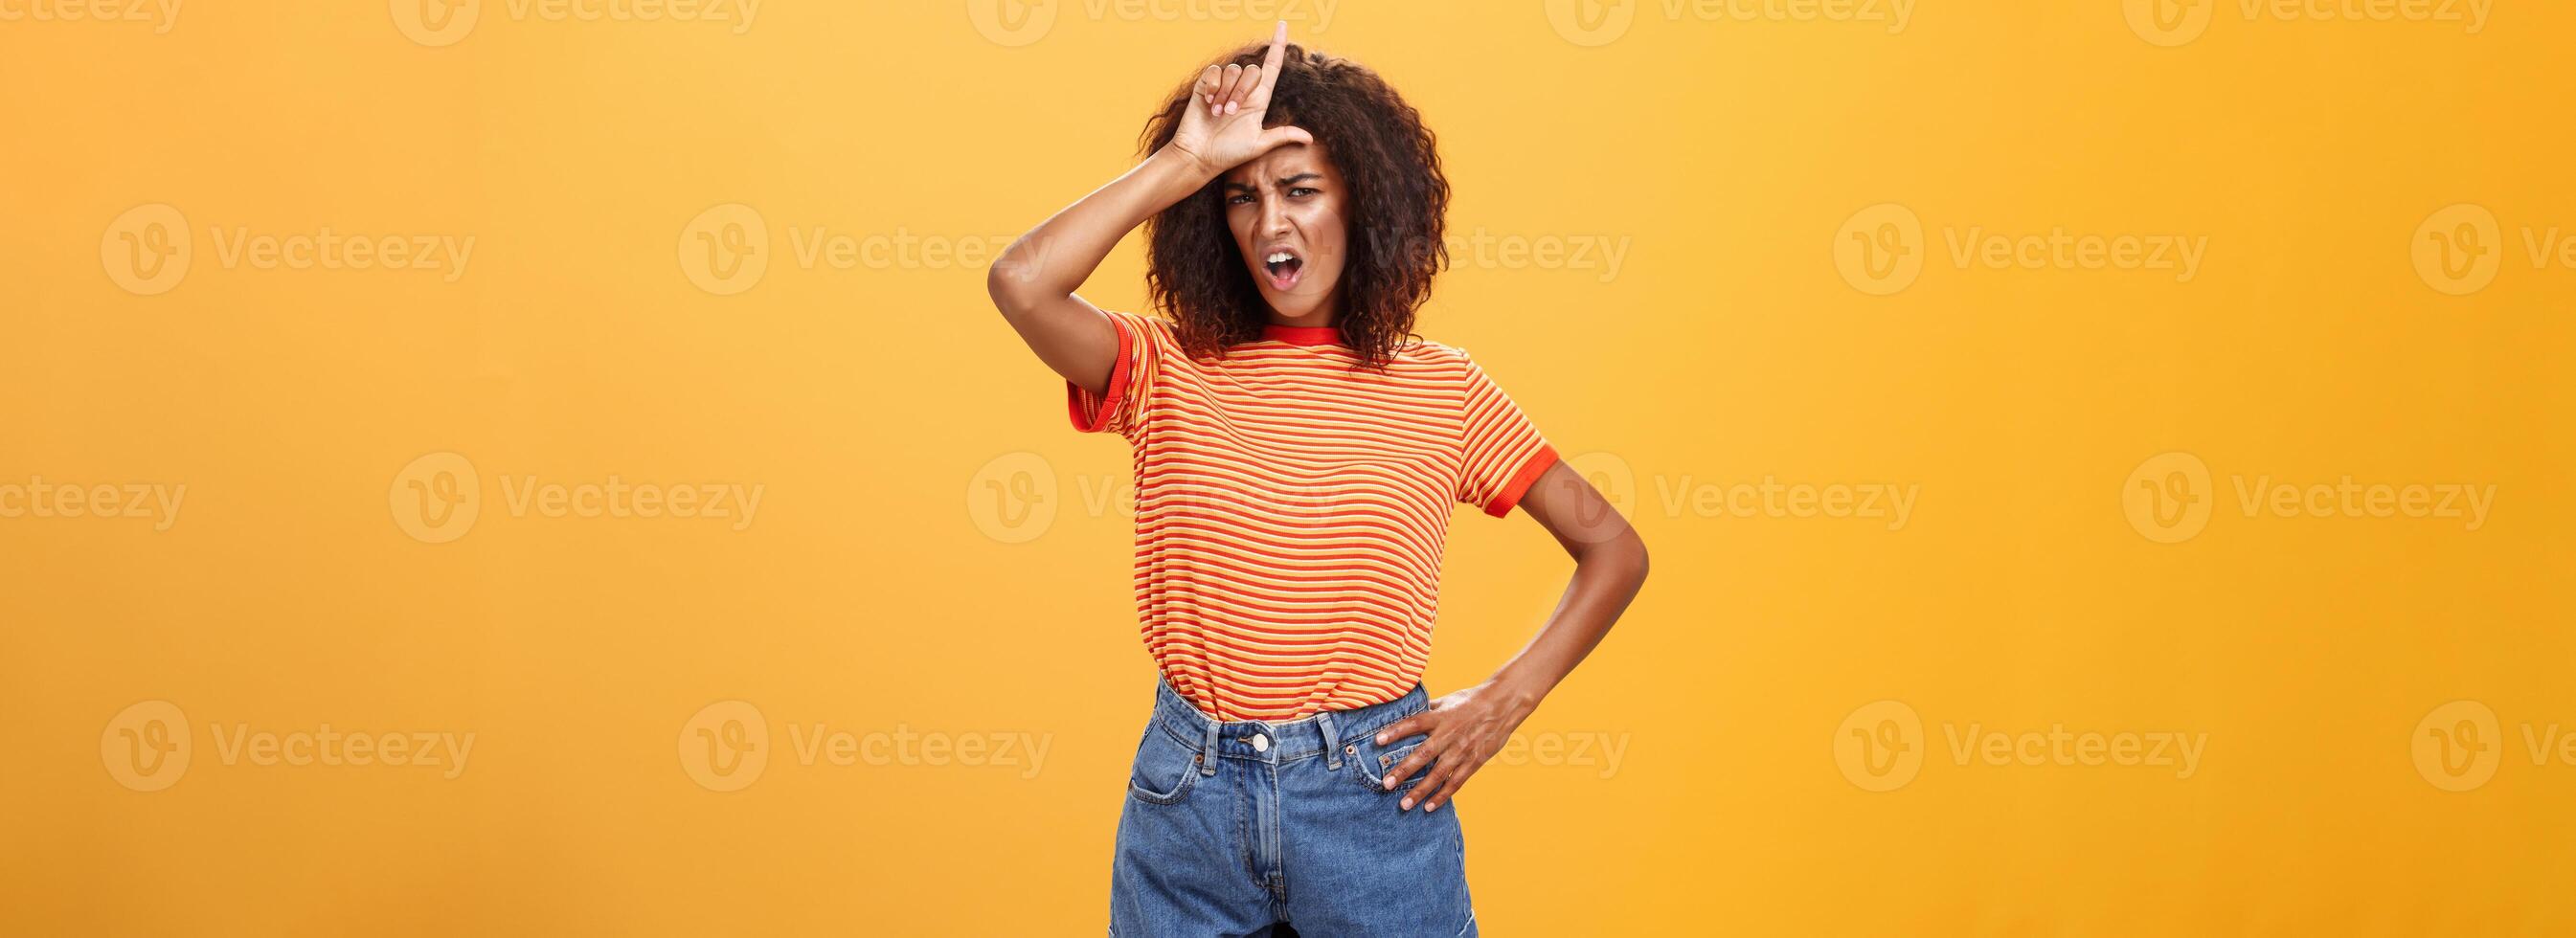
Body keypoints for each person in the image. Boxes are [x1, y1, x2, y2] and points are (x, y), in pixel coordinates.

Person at [985, 22, 1649, 936]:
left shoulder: (1444, 388)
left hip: (1370, 800)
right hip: (1189, 801)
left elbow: (1613, 548)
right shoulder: (1162, 365)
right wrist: (1187, 160)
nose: (1269, 224)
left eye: (1300, 190)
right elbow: (1022, 282)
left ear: (1364, 205)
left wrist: (1505, 700)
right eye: (1240, 198)